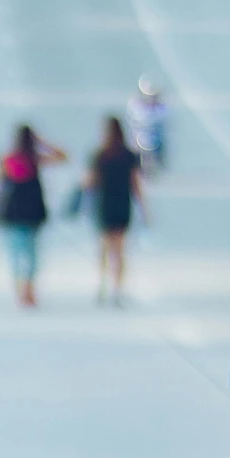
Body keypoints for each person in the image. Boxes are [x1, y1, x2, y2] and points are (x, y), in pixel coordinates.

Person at [0, 124, 66, 308]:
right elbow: (63, 157)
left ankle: (20, 292)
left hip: (13, 213)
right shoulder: (36, 159)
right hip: (33, 214)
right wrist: (43, 142)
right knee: (32, 255)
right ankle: (29, 291)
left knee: (16, 253)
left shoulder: (8, 159)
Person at [84, 116, 147, 306]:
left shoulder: (99, 155)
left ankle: (101, 285)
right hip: (122, 205)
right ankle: (117, 289)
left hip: (104, 205)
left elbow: (90, 182)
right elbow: (136, 184)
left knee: (103, 248)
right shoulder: (128, 155)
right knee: (119, 251)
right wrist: (143, 209)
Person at [128, 77, 170, 173]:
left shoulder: (162, 109)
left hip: (155, 137)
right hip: (140, 137)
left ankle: (160, 161)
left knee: (160, 145)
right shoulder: (137, 107)